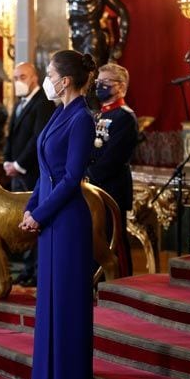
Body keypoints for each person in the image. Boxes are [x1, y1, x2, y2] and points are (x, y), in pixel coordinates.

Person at [19, 49, 96, 379]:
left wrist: (42, 213)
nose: (46, 79)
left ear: (64, 80)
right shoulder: (58, 113)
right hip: (50, 219)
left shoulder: (82, 118)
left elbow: (71, 178)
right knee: (49, 304)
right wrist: (31, 207)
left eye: (50, 73)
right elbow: (46, 171)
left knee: (65, 306)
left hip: (67, 222)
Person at [3, 61, 54, 286]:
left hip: (31, 172)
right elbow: (11, 135)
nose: (18, 82)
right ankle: (25, 270)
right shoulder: (20, 103)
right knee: (21, 222)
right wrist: (7, 161)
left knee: (34, 222)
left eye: (22, 77)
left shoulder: (43, 102)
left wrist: (19, 164)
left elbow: (38, 138)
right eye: (15, 78)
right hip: (16, 170)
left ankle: (35, 271)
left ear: (34, 77)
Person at [87, 63, 138, 276]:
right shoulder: (97, 115)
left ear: (120, 87)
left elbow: (114, 157)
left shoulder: (124, 116)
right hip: (93, 188)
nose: (99, 86)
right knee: (96, 238)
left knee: (113, 238)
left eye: (105, 83)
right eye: (97, 82)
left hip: (111, 187)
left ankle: (121, 283)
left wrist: (90, 176)